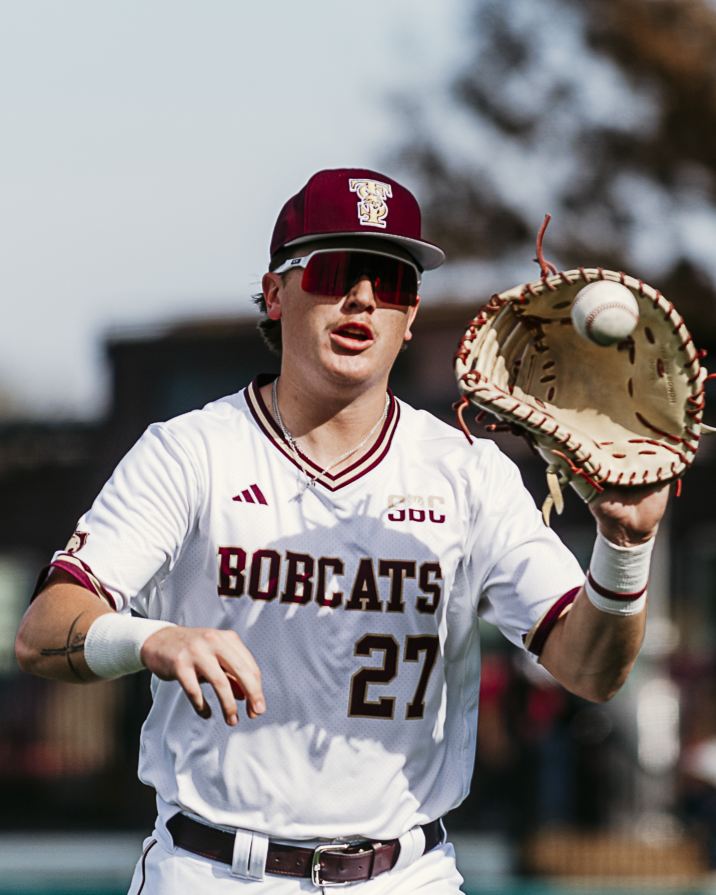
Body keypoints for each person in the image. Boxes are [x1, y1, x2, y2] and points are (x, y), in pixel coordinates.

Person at [15, 168, 668, 894]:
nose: (362, 297)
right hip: (213, 870)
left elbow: (592, 668)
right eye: (333, 270)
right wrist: (152, 638)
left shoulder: (468, 473)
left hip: (404, 874)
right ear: (274, 293)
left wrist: (625, 547)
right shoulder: (191, 452)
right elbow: (44, 631)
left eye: (390, 281)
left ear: (411, 313)